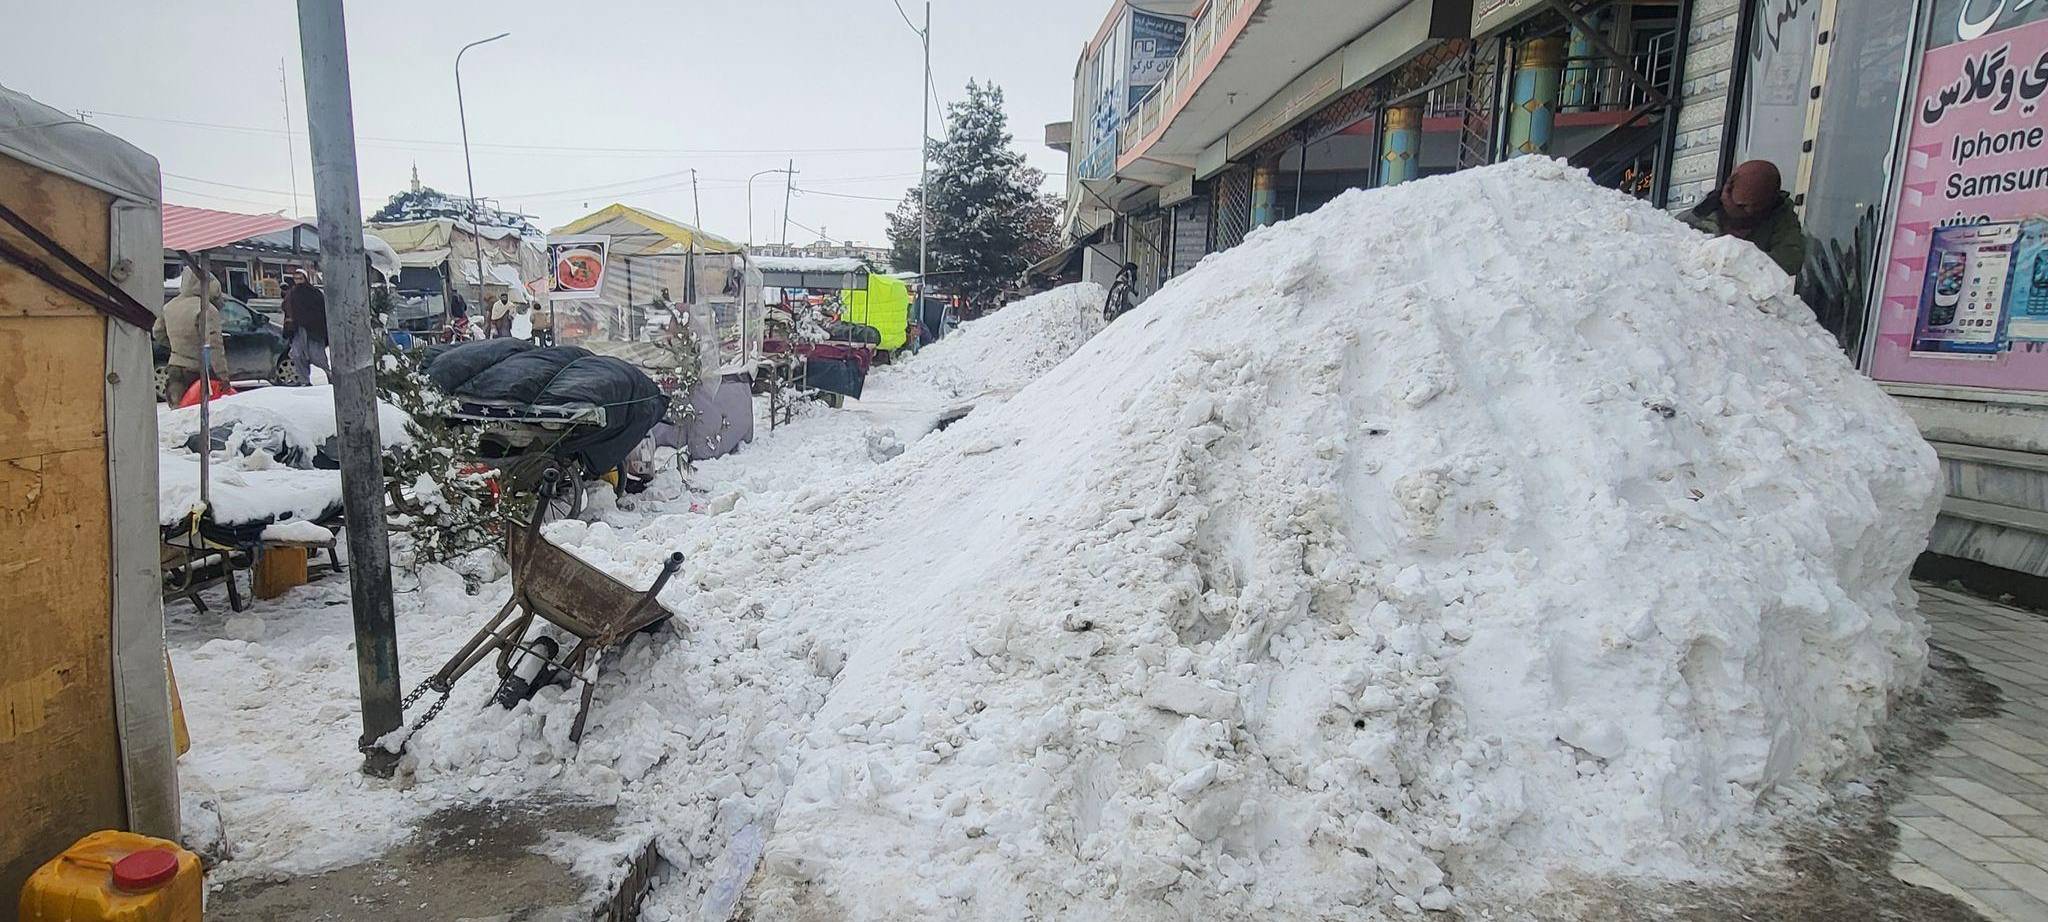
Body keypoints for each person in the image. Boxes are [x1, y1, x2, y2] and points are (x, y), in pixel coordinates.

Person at [1682, 159, 1807, 277]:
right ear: (1727, 192)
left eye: (1756, 206)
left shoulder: (1781, 218)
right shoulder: (1699, 215)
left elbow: (1790, 260)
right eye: (1741, 206)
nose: (1749, 211)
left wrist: (1739, 261)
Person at [159, 267, 226, 407]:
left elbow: (158, 332)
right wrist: (223, 377)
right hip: (197, 371)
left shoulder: (169, 306)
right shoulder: (206, 309)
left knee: (178, 412)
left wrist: (177, 348)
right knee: (197, 412)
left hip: (174, 367)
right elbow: (214, 346)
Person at [281, 268, 329, 383]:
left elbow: (322, 311)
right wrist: (288, 326)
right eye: (296, 279)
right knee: (298, 355)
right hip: (297, 330)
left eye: (300, 278)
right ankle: (304, 381)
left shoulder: (314, 293)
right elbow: (287, 310)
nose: (298, 281)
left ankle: (329, 375)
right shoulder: (291, 294)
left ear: (305, 279)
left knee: (317, 356)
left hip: (313, 331)